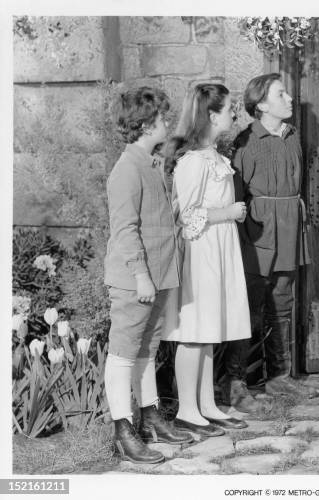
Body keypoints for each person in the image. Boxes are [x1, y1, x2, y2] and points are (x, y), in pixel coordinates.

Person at [104, 87, 193, 464]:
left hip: (157, 277)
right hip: (135, 280)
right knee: (124, 352)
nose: (166, 123)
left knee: (148, 349)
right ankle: (124, 430)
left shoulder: (150, 163)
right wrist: (141, 275)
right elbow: (124, 230)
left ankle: (151, 417)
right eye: (160, 118)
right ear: (143, 124)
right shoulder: (126, 169)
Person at [163, 84, 251, 432]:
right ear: (211, 115)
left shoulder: (213, 156)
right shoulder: (193, 161)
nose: (234, 113)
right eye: (230, 108)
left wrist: (228, 214)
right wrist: (228, 211)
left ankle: (207, 404)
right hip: (201, 252)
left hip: (218, 249)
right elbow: (186, 215)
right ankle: (187, 409)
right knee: (194, 330)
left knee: (208, 330)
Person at [225, 73, 317, 405]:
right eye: (281, 94)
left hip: (289, 229)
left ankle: (280, 377)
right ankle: (237, 383)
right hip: (257, 231)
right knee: (249, 307)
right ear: (262, 104)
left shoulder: (293, 137)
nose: (290, 98)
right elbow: (235, 193)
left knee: (283, 303)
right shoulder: (246, 141)